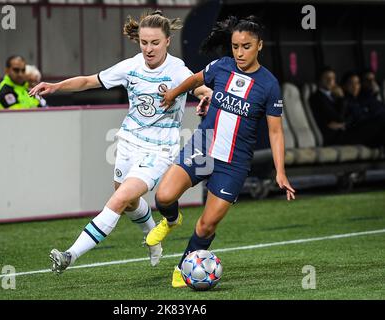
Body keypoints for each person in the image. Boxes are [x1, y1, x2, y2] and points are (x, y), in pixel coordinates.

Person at [29, 11, 212, 273]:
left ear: (168, 41)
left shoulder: (177, 70)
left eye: (155, 43)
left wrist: (208, 95)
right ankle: (153, 236)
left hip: (159, 150)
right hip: (128, 142)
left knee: (119, 198)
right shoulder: (130, 66)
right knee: (128, 202)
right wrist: (56, 86)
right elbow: (89, 81)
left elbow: (200, 87)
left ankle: (69, 255)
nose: (149, 49)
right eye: (144, 42)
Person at [144, 15, 296, 288]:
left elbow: (276, 132)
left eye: (246, 46)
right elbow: (195, 79)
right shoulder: (222, 67)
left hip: (233, 164)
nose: (239, 52)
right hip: (203, 149)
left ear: (259, 46)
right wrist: (173, 94)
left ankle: (184, 267)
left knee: (206, 226)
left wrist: (280, 172)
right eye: (236, 46)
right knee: (164, 196)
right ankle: (171, 219)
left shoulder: (269, 85)